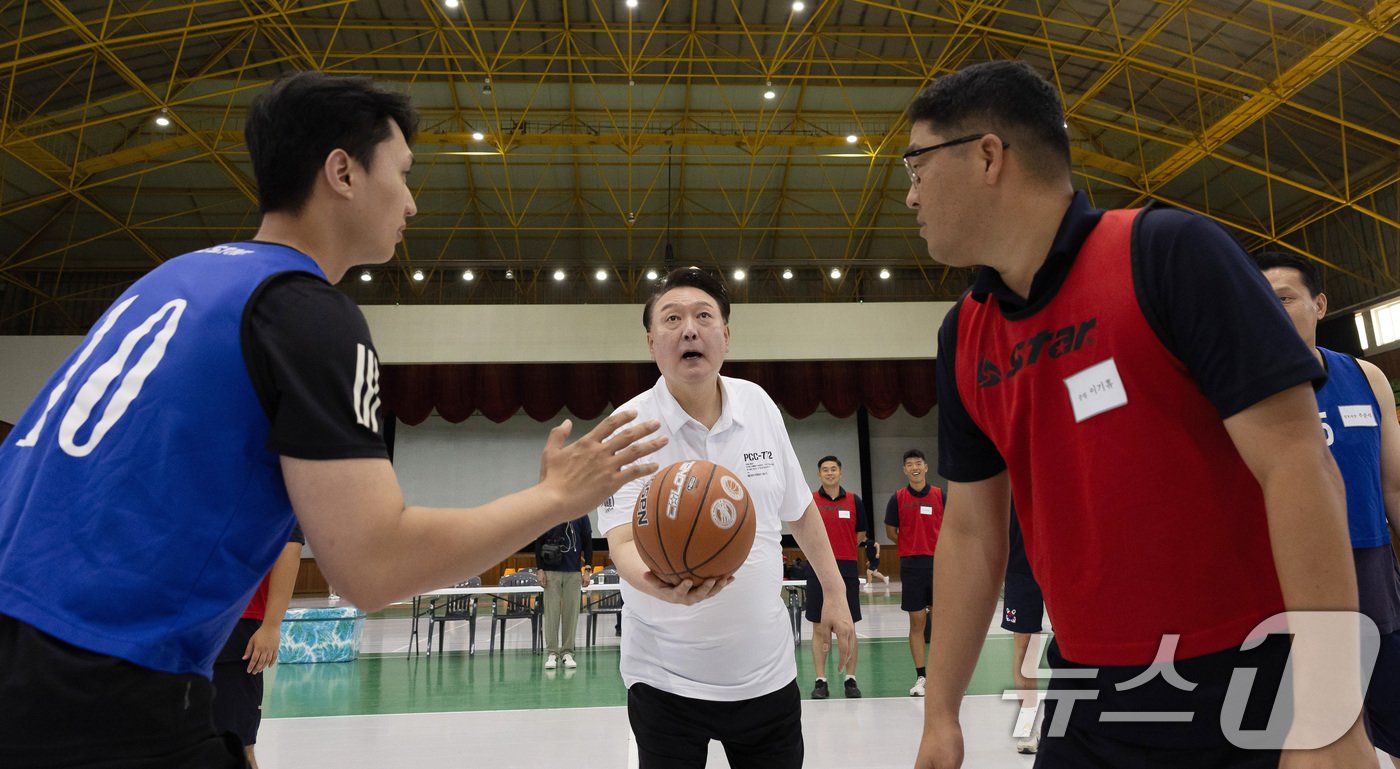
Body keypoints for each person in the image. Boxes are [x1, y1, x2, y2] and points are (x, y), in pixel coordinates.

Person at [0, 71, 664, 768]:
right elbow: (370, 566)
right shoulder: (304, 310)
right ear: (342, 172)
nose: (411, 201)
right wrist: (555, 498)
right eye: (403, 173)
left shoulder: (170, 279)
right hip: (96, 683)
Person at [906, 59, 1373, 768]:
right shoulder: (964, 333)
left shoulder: (1168, 254)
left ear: (987, 156)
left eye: (916, 165)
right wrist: (941, 714)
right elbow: (972, 531)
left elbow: (1298, 463)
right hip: (1088, 688)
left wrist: (1332, 713)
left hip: (1246, 676)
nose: (910, 196)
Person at [597, 266, 856, 769]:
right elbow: (623, 542)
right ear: (652, 342)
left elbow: (800, 510)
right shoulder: (625, 429)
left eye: (703, 316)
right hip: (665, 680)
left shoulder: (758, 404)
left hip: (766, 676)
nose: (689, 329)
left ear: (726, 337)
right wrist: (659, 584)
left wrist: (838, 594)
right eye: (672, 319)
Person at [1256, 251, 1400, 766]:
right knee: (1310, 728)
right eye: (1260, 302)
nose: (1271, 311)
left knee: (1393, 712)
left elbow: (1395, 488)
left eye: (1286, 299)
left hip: (1370, 567)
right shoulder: (1240, 388)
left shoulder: (1366, 378)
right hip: (1285, 577)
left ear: (1319, 304)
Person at [211, 529, 304, 769]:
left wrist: (271, 625)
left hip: (235, 625)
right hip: (177, 626)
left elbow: (289, 546)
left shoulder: (271, 491)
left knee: (237, 747)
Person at [884, 448, 944, 697]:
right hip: (911, 566)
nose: (914, 467)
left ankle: (945, 678)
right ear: (905, 470)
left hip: (940, 565)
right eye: (909, 464)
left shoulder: (940, 495)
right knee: (917, 622)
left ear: (926, 467)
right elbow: (891, 531)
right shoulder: (897, 498)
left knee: (943, 624)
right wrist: (911, 545)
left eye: (918, 462)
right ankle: (921, 676)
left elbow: (953, 526)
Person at [808, 454, 867, 699]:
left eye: (834, 469)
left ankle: (850, 680)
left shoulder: (854, 500)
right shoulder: (810, 500)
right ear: (819, 474)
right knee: (819, 627)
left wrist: (841, 552)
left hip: (846, 568)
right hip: (817, 568)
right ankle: (820, 680)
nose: (830, 473)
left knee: (849, 626)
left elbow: (861, 535)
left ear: (841, 473)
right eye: (825, 469)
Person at [1002, 505, 1045, 755]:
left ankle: (1076, 725)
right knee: (1025, 648)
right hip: (1020, 570)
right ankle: (1028, 727)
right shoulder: (1007, 477)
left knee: (1076, 643)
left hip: (1062, 565)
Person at [535, 514, 593, 670]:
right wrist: (540, 569)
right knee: (551, 613)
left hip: (573, 572)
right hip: (551, 572)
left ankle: (567, 652)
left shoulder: (581, 515)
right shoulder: (550, 512)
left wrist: (587, 568)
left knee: (571, 613)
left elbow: (587, 541)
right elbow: (539, 541)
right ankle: (552, 653)